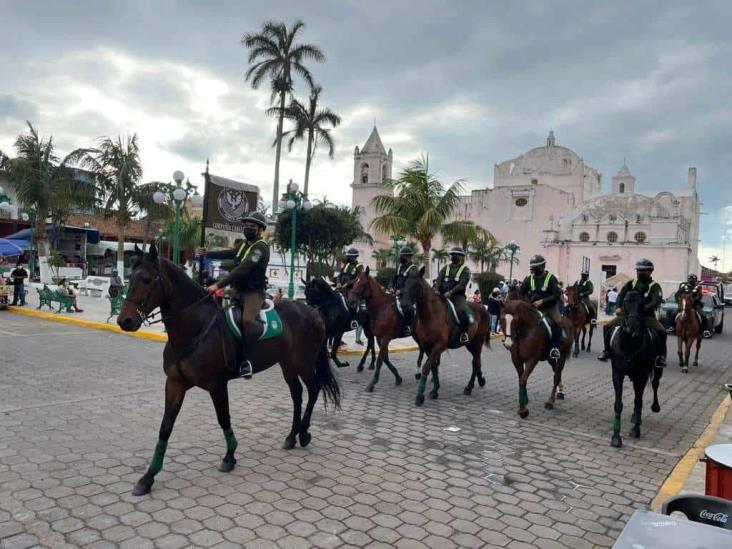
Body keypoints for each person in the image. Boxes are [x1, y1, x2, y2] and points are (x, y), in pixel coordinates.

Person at [197, 211, 270, 379]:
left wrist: (218, 285)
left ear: (260, 230)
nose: (248, 229)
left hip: (253, 293)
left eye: (252, 227)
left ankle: (247, 361)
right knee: (217, 313)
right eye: (246, 226)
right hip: (237, 290)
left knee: (247, 321)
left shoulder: (260, 247)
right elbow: (230, 253)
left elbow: (243, 268)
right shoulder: (245, 244)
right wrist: (207, 253)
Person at [597, 259, 667, 366]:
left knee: (662, 332)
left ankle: (660, 357)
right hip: (628, 315)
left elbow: (655, 301)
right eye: (638, 270)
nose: (640, 273)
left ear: (650, 272)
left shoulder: (654, 286)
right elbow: (621, 295)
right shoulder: (631, 283)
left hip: (646, 316)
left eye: (643, 271)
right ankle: (606, 351)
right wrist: (618, 307)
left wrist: (643, 308)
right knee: (607, 326)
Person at [519, 255, 563, 359]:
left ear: (543, 266)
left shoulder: (551, 278)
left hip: (549, 308)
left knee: (558, 323)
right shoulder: (529, 278)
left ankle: (554, 348)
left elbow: (557, 295)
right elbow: (521, 292)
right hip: (533, 308)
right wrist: (527, 301)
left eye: (536, 268)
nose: (533, 271)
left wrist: (542, 301)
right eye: (532, 269)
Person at [433, 247, 471, 343]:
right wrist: (436, 290)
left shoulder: (465, 270)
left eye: (456, 254)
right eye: (452, 254)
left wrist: (451, 292)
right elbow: (438, 280)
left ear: (462, 257)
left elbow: (462, 284)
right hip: (442, 295)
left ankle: (464, 333)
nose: (453, 256)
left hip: (457, 297)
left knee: (463, 312)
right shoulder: (445, 268)